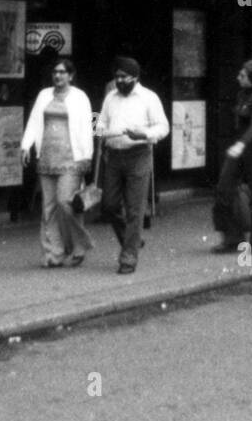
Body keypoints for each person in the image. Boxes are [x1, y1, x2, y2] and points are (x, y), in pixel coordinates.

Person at [96, 56, 169, 274]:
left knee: (135, 208)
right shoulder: (110, 97)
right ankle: (132, 239)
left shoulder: (149, 98)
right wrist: (100, 131)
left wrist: (144, 134)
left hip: (139, 154)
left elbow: (163, 127)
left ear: (135, 78)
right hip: (114, 155)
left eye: (123, 77)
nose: (119, 81)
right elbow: (100, 123)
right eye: (116, 77)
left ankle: (128, 256)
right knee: (109, 205)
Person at [20, 57, 95, 268]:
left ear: (71, 76)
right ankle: (55, 253)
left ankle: (80, 245)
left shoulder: (80, 97)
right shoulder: (44, 95)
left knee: (66, 203)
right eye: (55, 72)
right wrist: (26, 146)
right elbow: (35, 121)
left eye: (62, 72)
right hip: (47, 157)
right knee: (49, 208)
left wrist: (87, 156)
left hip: (72, 158)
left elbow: (87, 127)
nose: (58, 76)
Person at [212, 59, 252, 255]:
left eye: (243, 75)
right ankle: (233, 238)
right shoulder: (241, 95)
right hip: (240, 147)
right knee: (224, 188)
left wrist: (240, 144)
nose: (238, 77)